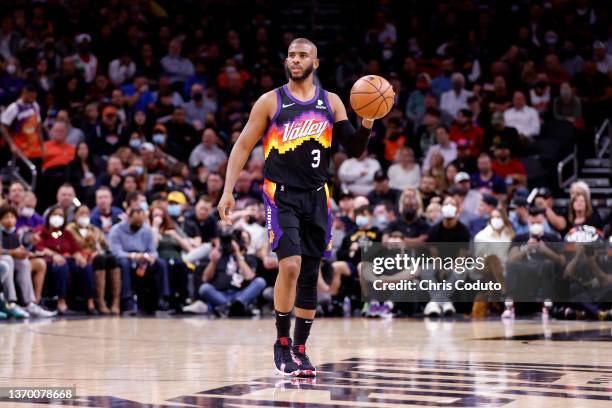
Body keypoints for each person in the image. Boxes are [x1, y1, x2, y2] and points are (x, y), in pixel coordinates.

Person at [218, 38, 380, 377]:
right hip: (281, 195)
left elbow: (353, 149)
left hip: (318, 195)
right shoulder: (270, 101)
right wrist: (227, 190)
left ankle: (301, 349)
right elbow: (243, 145)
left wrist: (367, 120)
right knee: (289, 265)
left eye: (302, 55)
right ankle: (281, 344)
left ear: (315, 63)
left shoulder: (331, 102)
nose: (295, 60)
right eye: (291, 55)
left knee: (309, 273)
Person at [108, 207, 170, 314]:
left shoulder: (147, 230)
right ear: (128, 218)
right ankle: (127, 300)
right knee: (124, 263)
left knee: (161, 263)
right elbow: (115, 251)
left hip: (143, 259)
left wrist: (150, 257)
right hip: (126, 257)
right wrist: (132, 255)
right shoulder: (116, 230)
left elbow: (153, 250)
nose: (138, 225)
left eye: (140, 223)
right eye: (135, 222)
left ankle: (162, 298)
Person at [35, 205, 95, 314]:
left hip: (66, 259)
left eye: (61, 215)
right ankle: (61, 302)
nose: (58, 217)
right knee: (62, 266)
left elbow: (75, 249)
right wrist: (53, 255)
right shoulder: (41, 230)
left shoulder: (66, 233)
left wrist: (78, 256)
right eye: (55, 215)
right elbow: (39, 247)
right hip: (49, 260)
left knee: (85, 266)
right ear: (49, 216)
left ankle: (90, 303)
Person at [0, 205, 56, 318]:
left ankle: (29, 303)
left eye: (12, 216)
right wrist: (13, 253)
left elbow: (22, 244)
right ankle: (10, 302)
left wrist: (26, 253)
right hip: (4, 262)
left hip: (9, 262)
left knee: (24, 262)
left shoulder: (14, 232)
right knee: (8, 259)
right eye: (6, 217)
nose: (10, 220)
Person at [66, 205, 121, 315]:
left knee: (112, 259)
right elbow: (71, 247)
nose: (84, 216)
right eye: (81, 213)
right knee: (100, 260)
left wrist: (97, 249)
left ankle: (116, 301)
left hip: (97, 255)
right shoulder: (70, 229)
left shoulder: (95, 229)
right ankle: (99, 300)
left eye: (86, 213)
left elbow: (105, 246)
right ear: (75, 215)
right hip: (81, 258)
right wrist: (86, 243)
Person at [0, 84, 44, 168]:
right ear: (24, 93)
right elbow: (2, 127)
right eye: (31, 97)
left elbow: (38, 127)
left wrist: (42, 146)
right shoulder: (14, 107)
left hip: (32, 147)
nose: (33, 99)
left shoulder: (35, 105)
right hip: (18, 148)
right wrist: (11, 144)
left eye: (35, 97)